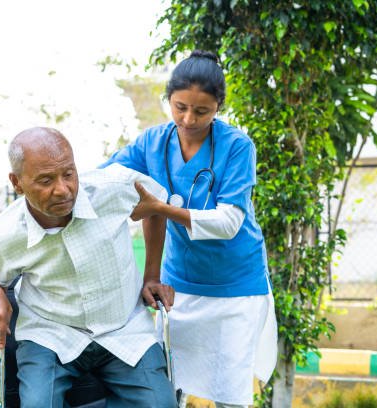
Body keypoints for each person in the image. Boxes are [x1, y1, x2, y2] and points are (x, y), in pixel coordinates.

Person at [101, 50, 278, 408]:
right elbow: (106, 178)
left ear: (218, 108)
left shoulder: (238, 147)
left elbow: (229, 222)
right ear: (168, 98)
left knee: (231, 394)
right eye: (179, 106)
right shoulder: (152, 143)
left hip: (236, 285)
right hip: (179, 285)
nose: (188, 119)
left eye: (202, 111)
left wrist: (162, 208)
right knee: (170, 386)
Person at [0, 126, 177, 408]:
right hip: (51, 333)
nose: (62, 189)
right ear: (17, 183)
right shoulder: (6, 234)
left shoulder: (112, 188)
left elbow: (156, 205)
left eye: (68, 174)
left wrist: (152, 275)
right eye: (45, 180)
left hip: (123, 327)